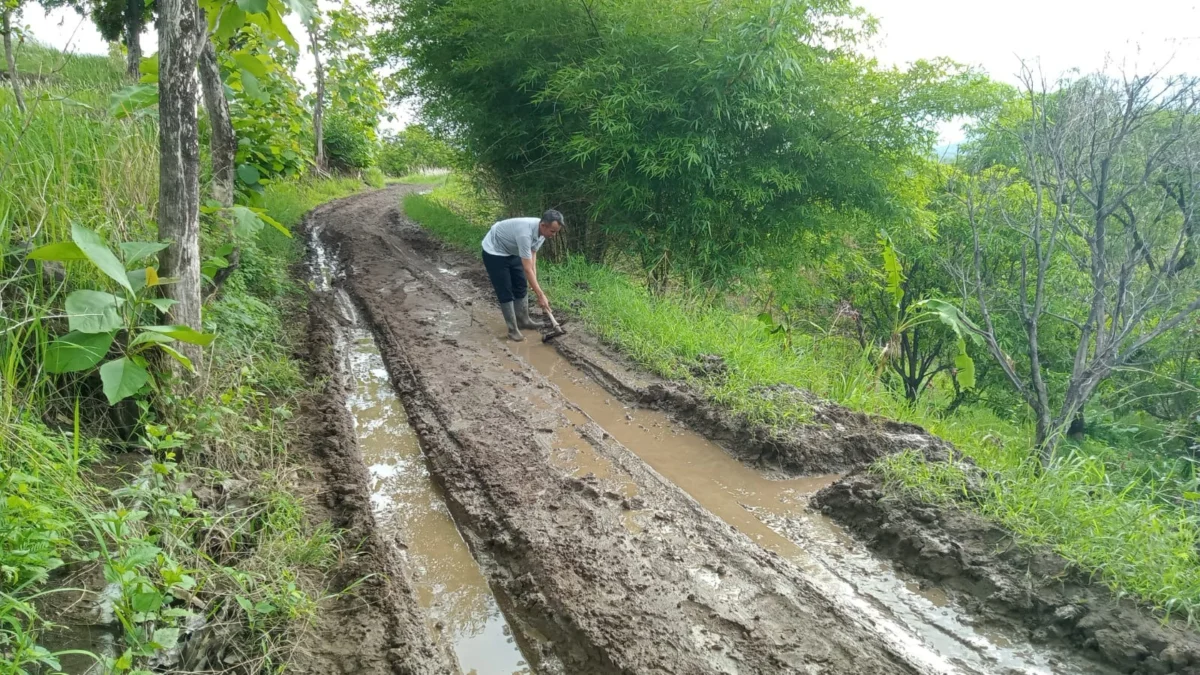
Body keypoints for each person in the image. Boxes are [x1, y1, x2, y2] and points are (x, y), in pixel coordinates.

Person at [480, 210, 564, 341]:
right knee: (505, 289)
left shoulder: (543, 233)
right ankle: (513, 330)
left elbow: (532, 254)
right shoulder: (525, 234)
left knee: (521, 283)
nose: (554, 235)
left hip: (512, 249)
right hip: (495, 251)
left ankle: (524, 321)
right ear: (543, 225)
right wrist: (540, 295)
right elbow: (527, 268)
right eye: (552, 231)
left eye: (556, 231)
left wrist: (533, 281)